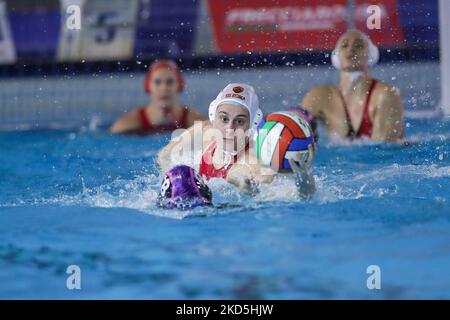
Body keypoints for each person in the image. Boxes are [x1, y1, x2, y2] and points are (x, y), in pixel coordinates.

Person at [158, 83, 315, 197]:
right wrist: (169, 182)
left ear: (253, 123)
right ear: (213, 116)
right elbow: (164, 155)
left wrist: (304, 185)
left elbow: (289, 196)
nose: (230, 128)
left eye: (239, 121)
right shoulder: (205, 131)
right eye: (224, 118)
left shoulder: (253, 162)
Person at [301, 30, 404, 142]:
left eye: (358, 45)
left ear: (370, 54)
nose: (350, 49)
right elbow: (296, 129)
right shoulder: (319, 97)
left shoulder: (384, 95)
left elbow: (383, 152)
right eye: (344, 45)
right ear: (336, 56)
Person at [111, 60, 207, 135]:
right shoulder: (127, 124)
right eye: (157, 82)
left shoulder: (197, 122)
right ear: (148, 86)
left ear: (179, 86)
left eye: (170, 82)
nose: (164, 88)